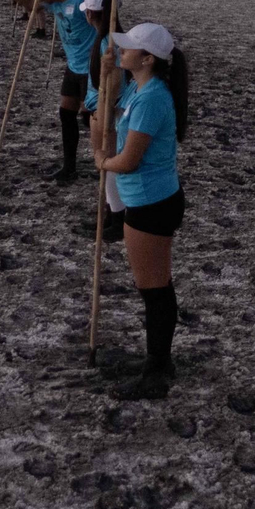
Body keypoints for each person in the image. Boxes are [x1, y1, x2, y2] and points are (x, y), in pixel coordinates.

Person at [91, 22, 188, 400]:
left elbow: (128, 160)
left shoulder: (152, 99)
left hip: (151, 202)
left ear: (148, 59)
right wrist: (107, 72)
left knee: (155, 290)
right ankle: (158, 360)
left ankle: (156, 371)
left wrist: (101, 161)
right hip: (149, 199)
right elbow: (107, 111)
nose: (122, 51)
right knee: (155, 286)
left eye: (129, 49)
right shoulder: (141, 87)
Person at [0, 0, 95, 182]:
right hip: (72, 67)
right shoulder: (51, 2)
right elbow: (29, 4)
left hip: (90, 68)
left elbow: (103, 25)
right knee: (66, 115)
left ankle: (105, 163)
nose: (38, 0)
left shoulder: (80, 0)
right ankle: (70, 167)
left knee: (91, 119)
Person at [79, 0, 126, 242]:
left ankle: (116, 219)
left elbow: (115, 81)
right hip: (102, 106)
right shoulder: (107, 37)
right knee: (105, 165)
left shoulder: (109, 42)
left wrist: (103, 115)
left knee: (107, 164)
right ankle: (110, 215)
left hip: (108, 108)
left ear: (90, 14)